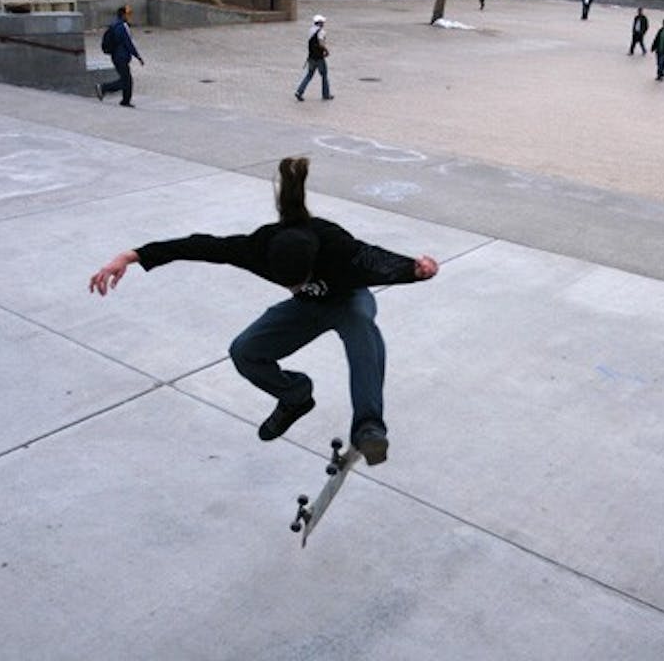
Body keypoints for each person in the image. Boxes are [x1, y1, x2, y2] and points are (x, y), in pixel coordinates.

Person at [88, 157, 439, 466]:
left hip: (347, 300)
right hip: (306, 312)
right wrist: (132, 256)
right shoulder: (258, 247)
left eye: (299, 282)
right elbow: (203, 246)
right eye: (289, 284)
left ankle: (368, 427)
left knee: (363, 329)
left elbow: (373, 259)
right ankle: (295, 396)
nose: (295, 287)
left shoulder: (335, 244)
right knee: (244, 351)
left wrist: (414, 269)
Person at [95, 5, 144, 108]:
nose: (129, 16)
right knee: (125, 81)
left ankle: (125, 101)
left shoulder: (115, 25)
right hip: (121, 57)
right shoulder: (122, 26)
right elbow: (128, 43)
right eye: (128, 14)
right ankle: (103, 88)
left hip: (117, 56)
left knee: (127, 80)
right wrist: (138, 56)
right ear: (123, 15)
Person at [295, 15, 332, 102]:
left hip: (311, 57)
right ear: (320, 23)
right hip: (319, 57)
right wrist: (326, 51)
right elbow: (321, 43)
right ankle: (326, 94)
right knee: (324, 75)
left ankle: (299, 91)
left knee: (309, 75)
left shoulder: (311, 30)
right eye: (322, 22)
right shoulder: (321, 32)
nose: (323, 24)